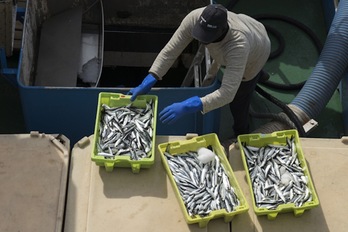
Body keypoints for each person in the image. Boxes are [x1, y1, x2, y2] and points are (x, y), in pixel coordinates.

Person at [128, 4, 271, 137]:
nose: (202, 40)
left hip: (257, 52)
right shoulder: (195, 17)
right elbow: (171, 50)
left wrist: (191, 105)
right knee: (240, 70)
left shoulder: (238, 45)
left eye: (207, 36)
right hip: (250, 29)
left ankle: (241, 132)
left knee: (240, 99)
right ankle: (260, 76)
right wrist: (152, 76)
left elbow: (227, 93)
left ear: (222, 30)